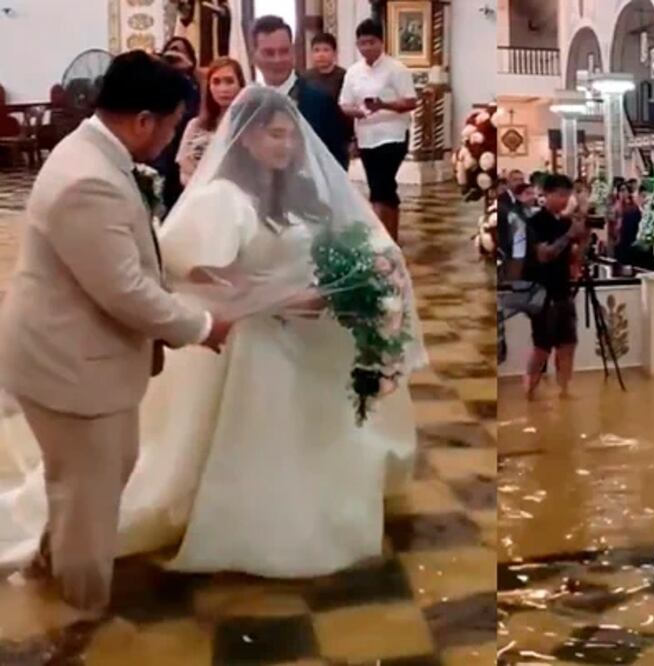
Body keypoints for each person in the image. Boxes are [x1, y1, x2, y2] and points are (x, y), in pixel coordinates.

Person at [0, 86, 425, 587]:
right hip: (246, 344)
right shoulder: (224, 196)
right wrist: (280, 298)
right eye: (274, 135)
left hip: (299, 337)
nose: (285, 146)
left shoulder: (302, 187)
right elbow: (187, 269)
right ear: (245, 139)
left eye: (290, 135)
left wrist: (353, 280)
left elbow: (333, 242)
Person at [0, 51, 231, 618]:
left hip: (79, 358)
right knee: (90, 502)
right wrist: (202, 325)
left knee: (95, 483)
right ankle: (78, 616)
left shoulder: (95, 153)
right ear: (144, 120)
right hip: (69, 365)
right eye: (174, 122)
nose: (175, 134)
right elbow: (124, 289)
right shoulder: (87, 180)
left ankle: (50, 568)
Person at [340, 18, 419, 242]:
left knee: (382, 186)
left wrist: (383, 105)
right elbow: (344, 103)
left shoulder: (396, 69)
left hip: (392, 135)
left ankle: (388, 239)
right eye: (362, 43)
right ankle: (384, 239)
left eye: (371, 42)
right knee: (378, 187)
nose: (366, 47)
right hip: (367, 136)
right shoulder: (353, 72)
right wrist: (356, 111)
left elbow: (411, 101)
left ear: (381, 42)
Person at [251, 15, 349, 168]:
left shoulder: (320, 102)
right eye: (269, 53)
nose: (277, 60)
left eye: (284, 51)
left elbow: (337, 160)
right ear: (254, 56)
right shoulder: (247, 104)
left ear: (293, 52)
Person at [524, 174, 588, 400]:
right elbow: (544, 255)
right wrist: (568, 235)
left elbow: (574, 260)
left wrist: (582, 238)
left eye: (567, 195)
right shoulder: (535, 222)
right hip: (542, 292)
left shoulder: (564, 222)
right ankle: (530, 390)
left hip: (563, 289)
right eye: (560, 195)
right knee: (542, 346)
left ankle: (564, 390)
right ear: (547, 194)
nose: (564, 200)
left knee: (568, 343)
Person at [177, 56, 245, 186]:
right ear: (209, 86)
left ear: (240, 85)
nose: (223, 89)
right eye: (216, 82)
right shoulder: (195, 126)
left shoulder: (249, 126)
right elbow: (184, 170)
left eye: (229, 81)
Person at [154, 38, 201, 213]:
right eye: (171, 52)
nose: (175, 57)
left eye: (181, 52)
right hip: (160, 159)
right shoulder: (158, 86)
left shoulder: (195, 87)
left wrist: (190, 68)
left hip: (184, 159)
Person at [303, 32, 353, 160]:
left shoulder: (345, 76)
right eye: (316, 50)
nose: (321, 54)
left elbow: (350, 108)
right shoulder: (304, 78)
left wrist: (353, 139)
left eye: (326, 50)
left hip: (339, 137)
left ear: (334, 53)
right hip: (312, 137)